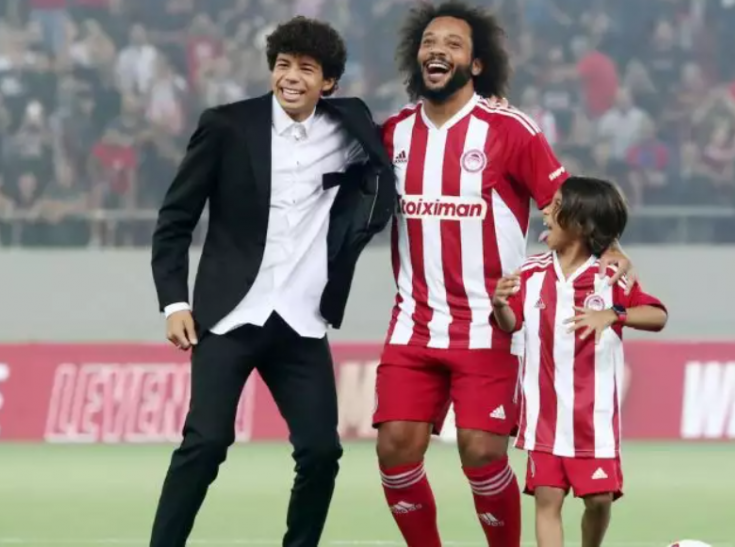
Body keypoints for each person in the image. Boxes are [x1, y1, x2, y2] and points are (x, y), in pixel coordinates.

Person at [372, 3, 633, 546]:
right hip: (414, 323)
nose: (437, 50)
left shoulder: (509, 129)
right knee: (394, 446)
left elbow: (564, 202)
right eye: (429, 42)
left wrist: (610, 249)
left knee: (482, 449)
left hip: (492, 325)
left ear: (477, 64)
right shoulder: (393, 134)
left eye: (453, 43)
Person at [148, 16, 395, 547]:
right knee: (206, 443)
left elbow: (392, 156)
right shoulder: (226, 126)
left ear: (328, 82)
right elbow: (174, 220)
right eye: (283, 65)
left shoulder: (349, 125)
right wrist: (174, 303)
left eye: (306, 69)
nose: (291, 77)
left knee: (322, 452)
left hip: (301, 322)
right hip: (228, 317)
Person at [490, 176, 667, 547]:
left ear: (582, 223)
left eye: (556, 207)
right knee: (547, 500)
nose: (545, 213)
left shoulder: (610, 276)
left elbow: (657, 315)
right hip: (544, 418)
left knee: (599, 500)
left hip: (594, 420)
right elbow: (510, 323)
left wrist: (614, 314)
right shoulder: (531, 272)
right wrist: (500, 304)